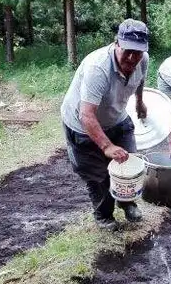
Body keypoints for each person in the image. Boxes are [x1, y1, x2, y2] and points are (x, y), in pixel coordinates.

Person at [61, 19, 150, 230]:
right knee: (99, 175)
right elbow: (87, 116)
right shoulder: (98, 67)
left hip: (116, 117)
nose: (131, 57)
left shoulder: (142, 59)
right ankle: (104, 216)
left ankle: (127, 202)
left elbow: (140, 79)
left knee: (129, 164)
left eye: (137, 52)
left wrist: (139, 101)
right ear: (116, 43)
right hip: (82, 124)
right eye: (127, 50)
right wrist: (107, 146)